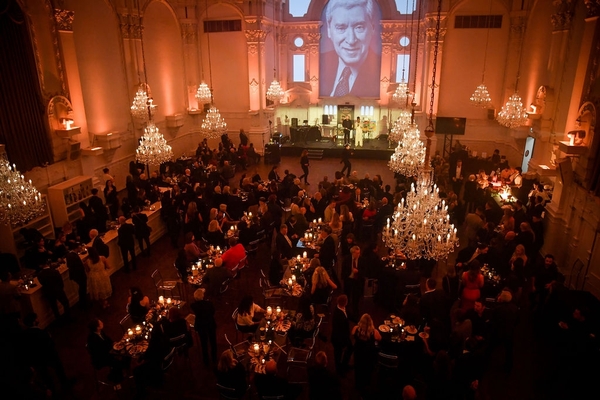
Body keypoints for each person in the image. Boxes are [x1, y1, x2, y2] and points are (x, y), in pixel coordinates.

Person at [320, 0, 380, 98]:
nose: (351, 40)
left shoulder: (381, 68)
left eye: (359, 27)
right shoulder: (318, 64)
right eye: (341, 28)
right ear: (329, 30)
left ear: (372, 28)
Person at [22, 313, 69, 392]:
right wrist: (49, 337)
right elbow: (51, 344)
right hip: (46, 357)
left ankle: (51, 389)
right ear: (34, 322)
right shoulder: (42, 333)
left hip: (36, 360)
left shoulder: (25, 334)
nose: (38, 319)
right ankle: (64, 384)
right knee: (58, 365)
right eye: (36, 318)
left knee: (45, 375)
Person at [87, 318, 126, 383]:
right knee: (118, 360)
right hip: (100, 358)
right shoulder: (92, 339)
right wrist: (113, 349)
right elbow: (100, 351)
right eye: (100, 323)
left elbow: (107, 339)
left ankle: (117, 371)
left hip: (107, 351)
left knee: (124, 351)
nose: (102, 322)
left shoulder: (100, 331)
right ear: (97, 328)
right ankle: (117, 378)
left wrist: (113, 343)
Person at [351, 313, 381, 393]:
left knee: (358, 369)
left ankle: (358, 385)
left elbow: (352, 333)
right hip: (369, 355)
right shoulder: (374, 332)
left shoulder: (355, 329)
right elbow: (379, 338)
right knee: (367, 370)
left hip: (358, 353)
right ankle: (366, 385)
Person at [190, 288, 218, 366]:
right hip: (210, 324)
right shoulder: (209, 304)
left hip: (201, 326)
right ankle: (214, 358)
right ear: (203, 296)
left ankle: (206, 360)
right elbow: (213, 312)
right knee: (213, 342)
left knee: (204, 343)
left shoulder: (193, 305)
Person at [331, 295, 352, 375]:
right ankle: (339, 371)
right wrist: (345, 340)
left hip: (344, 336)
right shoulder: (338, 315)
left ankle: (343, 365)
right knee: (338, 355)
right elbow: (339, 330)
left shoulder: (342, 308)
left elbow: (349, 315)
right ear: (345, 302)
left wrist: (358, 321)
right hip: (338, 338)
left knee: (349, 349)